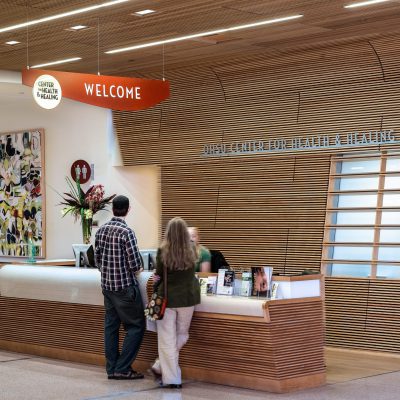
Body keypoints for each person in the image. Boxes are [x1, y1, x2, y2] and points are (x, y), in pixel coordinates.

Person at [95, 195, 145, 380]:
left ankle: (112, 368)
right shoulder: (127, 232)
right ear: (128, 209)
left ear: (112, 209)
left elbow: (97, 261)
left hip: (107, 288)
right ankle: (122, 368)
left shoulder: (100, 231)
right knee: (136, 326)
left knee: (111, 327)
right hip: (125, 289)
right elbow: (135, 265)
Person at [151, 217, 200, 389]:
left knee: (166, 339)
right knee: (182, 335)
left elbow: (158, 275)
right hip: (188, 298)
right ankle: (163, 369)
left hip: (167, 298)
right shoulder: (193, 249)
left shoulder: (162, 250)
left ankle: (170, 376)